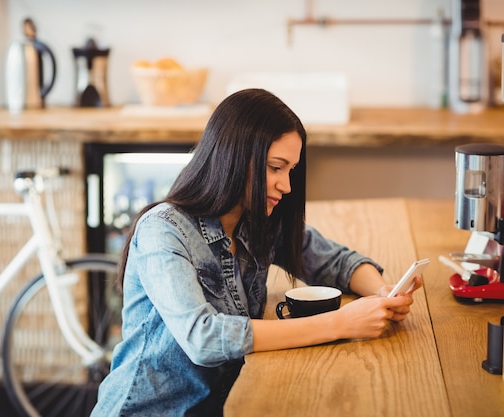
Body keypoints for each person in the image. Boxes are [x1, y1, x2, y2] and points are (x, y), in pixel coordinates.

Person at [90, 88, 421, 416]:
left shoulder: (258, 221)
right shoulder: (163, 230)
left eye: (291, 170)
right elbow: (203, 337)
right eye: (275, 168)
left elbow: (335, 262)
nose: (287, 185)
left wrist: (382, 292)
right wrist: (341, 324)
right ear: (234, 157)